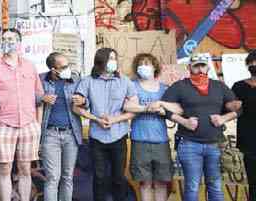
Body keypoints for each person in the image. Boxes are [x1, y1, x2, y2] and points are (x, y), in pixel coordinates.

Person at [160, 54, 241, 201]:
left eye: (203, 65)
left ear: (208, 67)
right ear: (189, 67)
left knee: (215, 185)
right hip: (188, 143)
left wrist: (223, 118)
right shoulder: (179, 86)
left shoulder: (219, 86)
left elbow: (238, 107)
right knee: (192, 186)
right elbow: (163, 108)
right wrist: (184, 122)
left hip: (215, 144)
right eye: (196, 66)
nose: (200, 69)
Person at [0, 28, 44, 201]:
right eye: (4, 39)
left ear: (19, 43)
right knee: (5, 168)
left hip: (29, 125)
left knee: (25, 168)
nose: (7, 42)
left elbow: (39, 97)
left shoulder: (30, 65)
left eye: (10, 39)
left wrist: (37, 125)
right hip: (3, 125)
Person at [71, 48, 136, 201]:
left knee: (118, 177)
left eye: (115, 58)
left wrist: (115, 120)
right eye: (110, 58)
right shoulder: (87, 81)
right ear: (101, 61)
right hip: (97, 137)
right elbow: (76, 107)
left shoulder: (125, 81)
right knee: (99, 177)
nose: (114, 61)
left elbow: (134, 109)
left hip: (119, 135)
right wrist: (96, 119)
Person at [122, 53, 171, 201]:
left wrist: (163, 110)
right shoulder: (132, 86)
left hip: (161, 140)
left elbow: (175, 109)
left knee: (161, 183)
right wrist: (146, 108)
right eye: (140, 64)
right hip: (139, 140)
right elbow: (127, 106)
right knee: (145, 183)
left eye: (147, 63)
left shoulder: (164, 89)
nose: (143, 66)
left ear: (155, 66)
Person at [38, 52, 83, 201]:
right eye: (63, 67)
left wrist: (82, 101)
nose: (67, 69)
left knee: (68, 177)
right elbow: (28, 98)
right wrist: (42, 98)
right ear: (53, 69)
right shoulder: (41, 80)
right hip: (50, 134)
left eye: (68, 65)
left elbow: (87, 101)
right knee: (52, 177)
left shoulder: (75, 79)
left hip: (71, 134)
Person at [233, 50, 256, 201]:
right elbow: (229, 109)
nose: (254, 65)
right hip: (249, 139)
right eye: (252, 63)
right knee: (253, 182)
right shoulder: (239, 86)